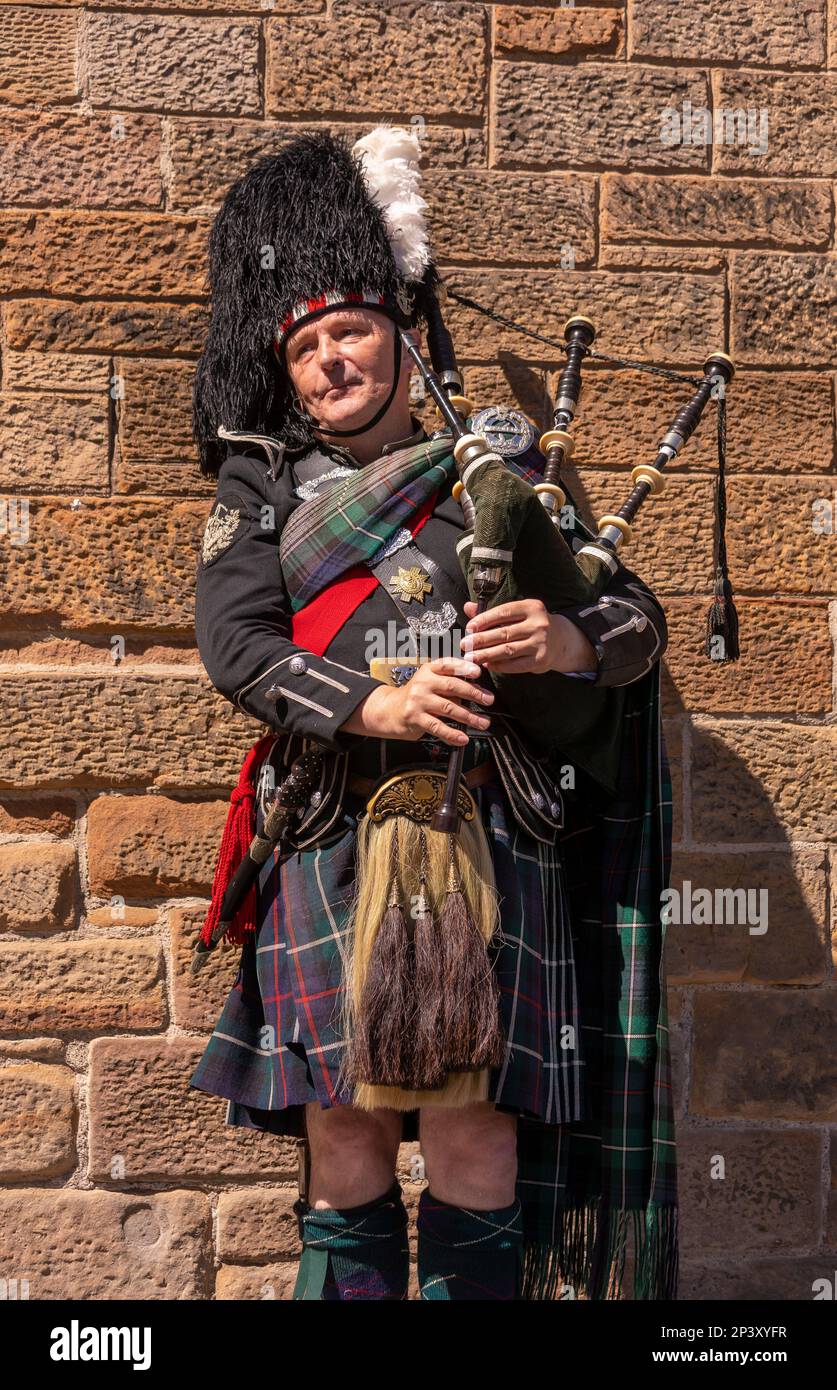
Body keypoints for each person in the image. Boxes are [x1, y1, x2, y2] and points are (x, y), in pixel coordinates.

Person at [188, 127, 678, 1300]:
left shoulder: (494, 475)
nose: (326, 363)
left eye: (348, 331)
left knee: (477, 1138)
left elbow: (640, 621)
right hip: (334, 835)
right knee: (345, 1131)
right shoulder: (262, 485)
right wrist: (380, 700)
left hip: (491, 839)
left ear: (405, 340)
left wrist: (566, 639)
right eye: (303, 347)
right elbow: (236, 644)